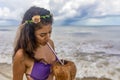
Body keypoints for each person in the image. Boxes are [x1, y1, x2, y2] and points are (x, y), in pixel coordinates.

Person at [13, 6, 56, 80]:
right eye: (42, 35)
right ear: (30, 33)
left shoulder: (50, 43)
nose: (48, 37)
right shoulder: (21, 55)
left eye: (50, 32)